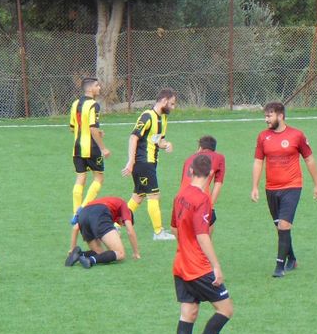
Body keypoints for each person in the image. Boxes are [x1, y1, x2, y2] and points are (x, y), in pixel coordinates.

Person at [171, 154, 233, 334]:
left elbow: (175, 229)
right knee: (226, 309)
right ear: (210, 174)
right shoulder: (203, 199)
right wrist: (216, 265)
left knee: (188, 313)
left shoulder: (180, 195)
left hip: (180, 264)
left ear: (190, 171)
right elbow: (202, 235)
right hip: (198, 267)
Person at [251, 102, 317, 277]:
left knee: (284, 225)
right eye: (265, 116)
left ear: (280, 116)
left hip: (292, 186)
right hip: (271, 188)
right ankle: (292, 258)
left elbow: (309, 159)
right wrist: (255, 186)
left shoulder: (296, 135)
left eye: (269, 116)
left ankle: (279, 267)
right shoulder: (263, 137)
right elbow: (258, 162)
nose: (266, 119)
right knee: (280, 227)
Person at [121, 88, 177, 241]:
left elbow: (158, 140)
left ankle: (115, 224)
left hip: (150, 163)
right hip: (143, 162)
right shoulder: (147, 116)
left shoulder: (163, 118)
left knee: (138, 196)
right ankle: (158, 232)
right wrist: (131, 161)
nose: (173, 107)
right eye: (172, 104)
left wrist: (167, 144)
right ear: (164, 101)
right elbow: (133, 137)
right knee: (154, 195)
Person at [69, 77, 110, 223]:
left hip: (77, 148)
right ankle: (84, 207)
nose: (99, 88)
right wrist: (103, 148)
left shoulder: (75, 104)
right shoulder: (94, 105)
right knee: (99, 178)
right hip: (91, 148)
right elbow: (92, 128)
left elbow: (73, 128)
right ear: (90, 89)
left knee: (80, 178)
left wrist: (98, 132)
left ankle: (75, 212)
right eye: (97, 86)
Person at [66, 196, 140, 268]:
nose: (120, 224)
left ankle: (79, 254)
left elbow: (75, 228)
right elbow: (130, 231)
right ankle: (90, 260)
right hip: (101, 213)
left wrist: (72, 248)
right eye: (123, 223)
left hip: (83, 215)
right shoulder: (124, 206)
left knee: (100, 253)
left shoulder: (110, 207)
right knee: (120, 253)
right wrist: (136, 253)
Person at [180, 135, 226, 233]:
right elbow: (218, 184)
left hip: (182, 202)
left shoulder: (188, 159)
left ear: (200, 147)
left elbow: (183, 183)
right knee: (205, 236)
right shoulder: (219, 157)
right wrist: (211, 205)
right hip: (201, 201)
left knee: (187, 237)